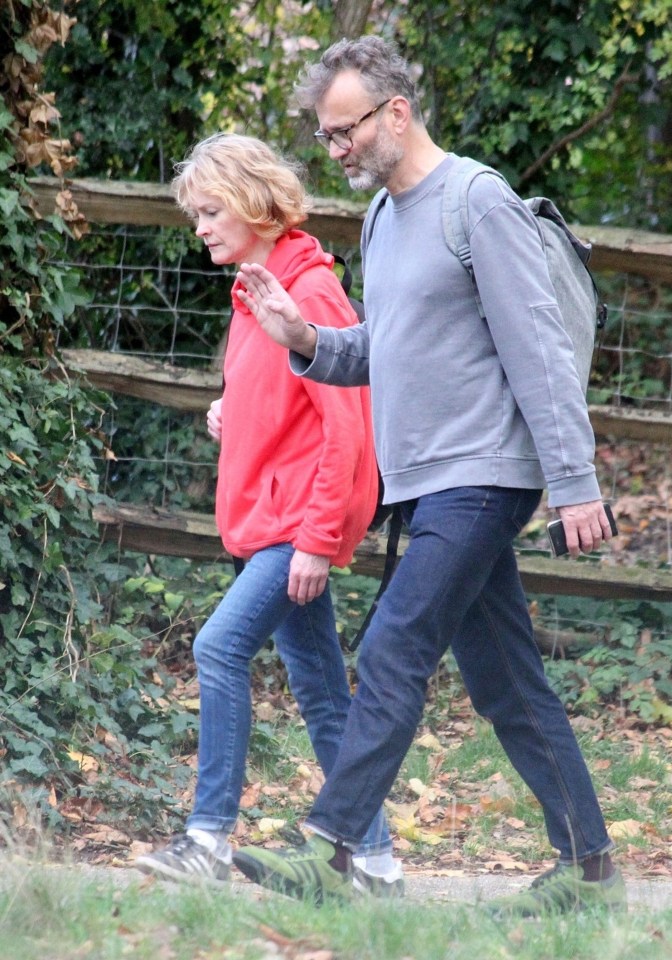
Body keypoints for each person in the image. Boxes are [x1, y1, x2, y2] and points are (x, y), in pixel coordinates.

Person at [229, 38, 626, 918]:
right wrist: (305, 339)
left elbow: (541, 350)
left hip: (483, 472)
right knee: (505, 681)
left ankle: (327, 851)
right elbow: (386, 347)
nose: (334, 150)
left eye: (344, 131)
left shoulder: (476, 204)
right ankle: (590, 870)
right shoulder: (380, 219)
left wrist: (574, 479)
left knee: (395, 644)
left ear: (396, 113)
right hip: (425, 478)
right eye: (326, 135)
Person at [134, 132, 404, 896]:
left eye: (212, 210)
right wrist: (233, 408)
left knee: (218, 650)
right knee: (321, 693)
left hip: (297, 529)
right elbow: (284, 400)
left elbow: (348, 429)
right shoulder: (254, 290)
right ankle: (376, 865)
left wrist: (318, 541)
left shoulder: (309, 292)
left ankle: (208, 841)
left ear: (256, 204)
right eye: (195, 214)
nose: (201, 226)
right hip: (273, 524)